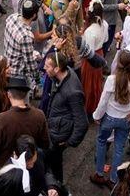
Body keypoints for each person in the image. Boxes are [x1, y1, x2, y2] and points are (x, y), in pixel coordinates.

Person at [91, 50, 130, 187]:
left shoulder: (112, 80)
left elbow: (103, 101)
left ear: (118, 63)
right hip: (126, 119)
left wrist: (97, 116)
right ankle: (114, 180)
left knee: (101, 141)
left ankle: (99, 174)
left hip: (109, 117)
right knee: (119, 149)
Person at [0, 77, 50, 175]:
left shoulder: (2, 119)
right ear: (26, 94)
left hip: (5, 171)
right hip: (30, 169)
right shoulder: (39, 115)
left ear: (9, 94)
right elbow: (45, 144)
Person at [40, 51, 87, 183]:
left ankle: (58, 188)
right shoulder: (62, 75)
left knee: (55, 168)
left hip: (58, 137)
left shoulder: (73, 92)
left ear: (57, 69)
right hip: (54, 128)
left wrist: (69, 142)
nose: (44, 68)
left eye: (47, 66)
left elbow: (82, 123)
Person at [2, 0, 40, 95]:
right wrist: (37, 78)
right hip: (18, 72)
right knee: (21, 98)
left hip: (7, 63)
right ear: (34, 15)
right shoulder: (26, 36)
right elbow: (29, 62)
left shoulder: (12, 17)